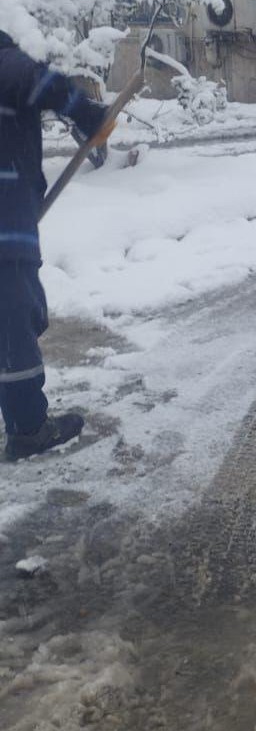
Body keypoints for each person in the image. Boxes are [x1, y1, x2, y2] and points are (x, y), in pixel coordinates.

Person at [1, 30, 109, 460]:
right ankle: (28, 429)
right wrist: (87, 115)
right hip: (5, 228)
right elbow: (43, 82)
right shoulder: (5, 62)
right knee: (14, 326)